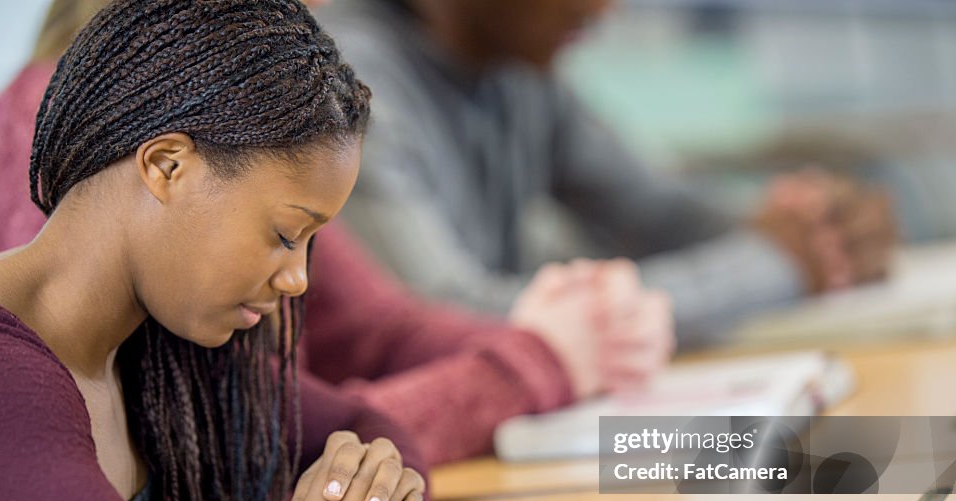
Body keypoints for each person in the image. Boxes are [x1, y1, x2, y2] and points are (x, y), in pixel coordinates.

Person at [0, 0, 673, 467]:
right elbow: (234, 455)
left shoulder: (246, 123)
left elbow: (375, 328)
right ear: (165, 166)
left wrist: (567, 340)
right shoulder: (71, 150)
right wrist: (532, 367)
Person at [0, 1, 434, 501]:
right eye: (287, 235)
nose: (297, 278)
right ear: (167, 166)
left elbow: (367, 428)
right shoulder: (1, 369)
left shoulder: (160, 344)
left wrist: (363, 491)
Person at [314, 0, 898, 347]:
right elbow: (446, 322)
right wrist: (775, 264)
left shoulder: (515, 64)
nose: (603, 7)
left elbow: (658, 211)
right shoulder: (339, 79)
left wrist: (818, 226)